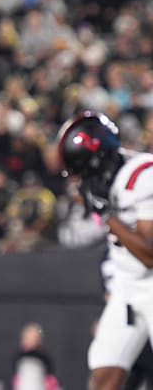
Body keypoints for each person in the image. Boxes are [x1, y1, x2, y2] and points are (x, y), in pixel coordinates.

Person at [56, 110, 153, 390]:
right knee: (103, 376)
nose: (82, 183)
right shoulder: (113, 179)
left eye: (84, 174)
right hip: (128, 291)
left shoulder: (142, 176)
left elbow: (149, 255)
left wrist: (108, 215)